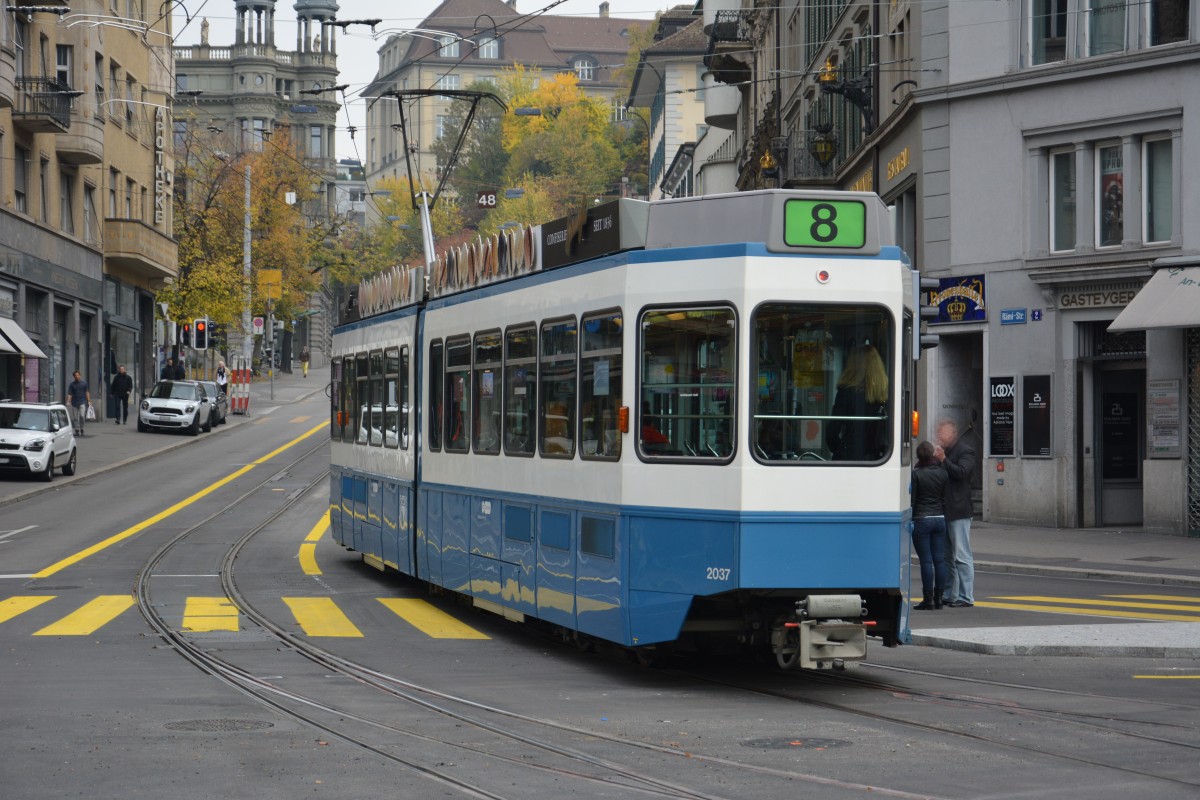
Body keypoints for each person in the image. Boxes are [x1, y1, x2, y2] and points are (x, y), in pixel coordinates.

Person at [935, 418, 977, 607]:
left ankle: (966, 596)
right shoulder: (944, 453)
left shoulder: (965, 450)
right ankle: (949, 594)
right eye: (938, 433)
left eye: (943, 433)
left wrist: (944, 460)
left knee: (962, 555)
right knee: (946, 557)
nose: (940, 437)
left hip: (959, 510)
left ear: (953, 434)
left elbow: (961, 472)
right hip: (944, 510)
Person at [825, 344, 889, 460]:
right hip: (877, 456)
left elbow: (832, 431)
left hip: (849, 454)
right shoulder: (885, 393)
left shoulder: (846, 392)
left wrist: (841, 450)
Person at [910, 441, 949, 610]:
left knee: (926, 561)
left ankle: (928, 599)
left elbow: (913, 499)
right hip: (940, 518)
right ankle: (940, 597)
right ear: (933, 454)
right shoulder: (942, 472)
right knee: (939, 560)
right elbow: (944, 497)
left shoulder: (916, 473)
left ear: (918, 456)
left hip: (922, 518)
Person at [66, 370, 91, 436]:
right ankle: (77, 429)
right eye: (75, 375)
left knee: (82, 416)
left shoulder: (84, 384)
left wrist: (89, 401)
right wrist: (68, 401)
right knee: (75, 417)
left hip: (82, 402)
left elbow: (87, 392)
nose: (77, 376)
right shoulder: (72, 385)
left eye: (78, 375)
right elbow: (70, 394)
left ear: (80, 375)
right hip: (74, 402)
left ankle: (82, 428)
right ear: (74, 377)